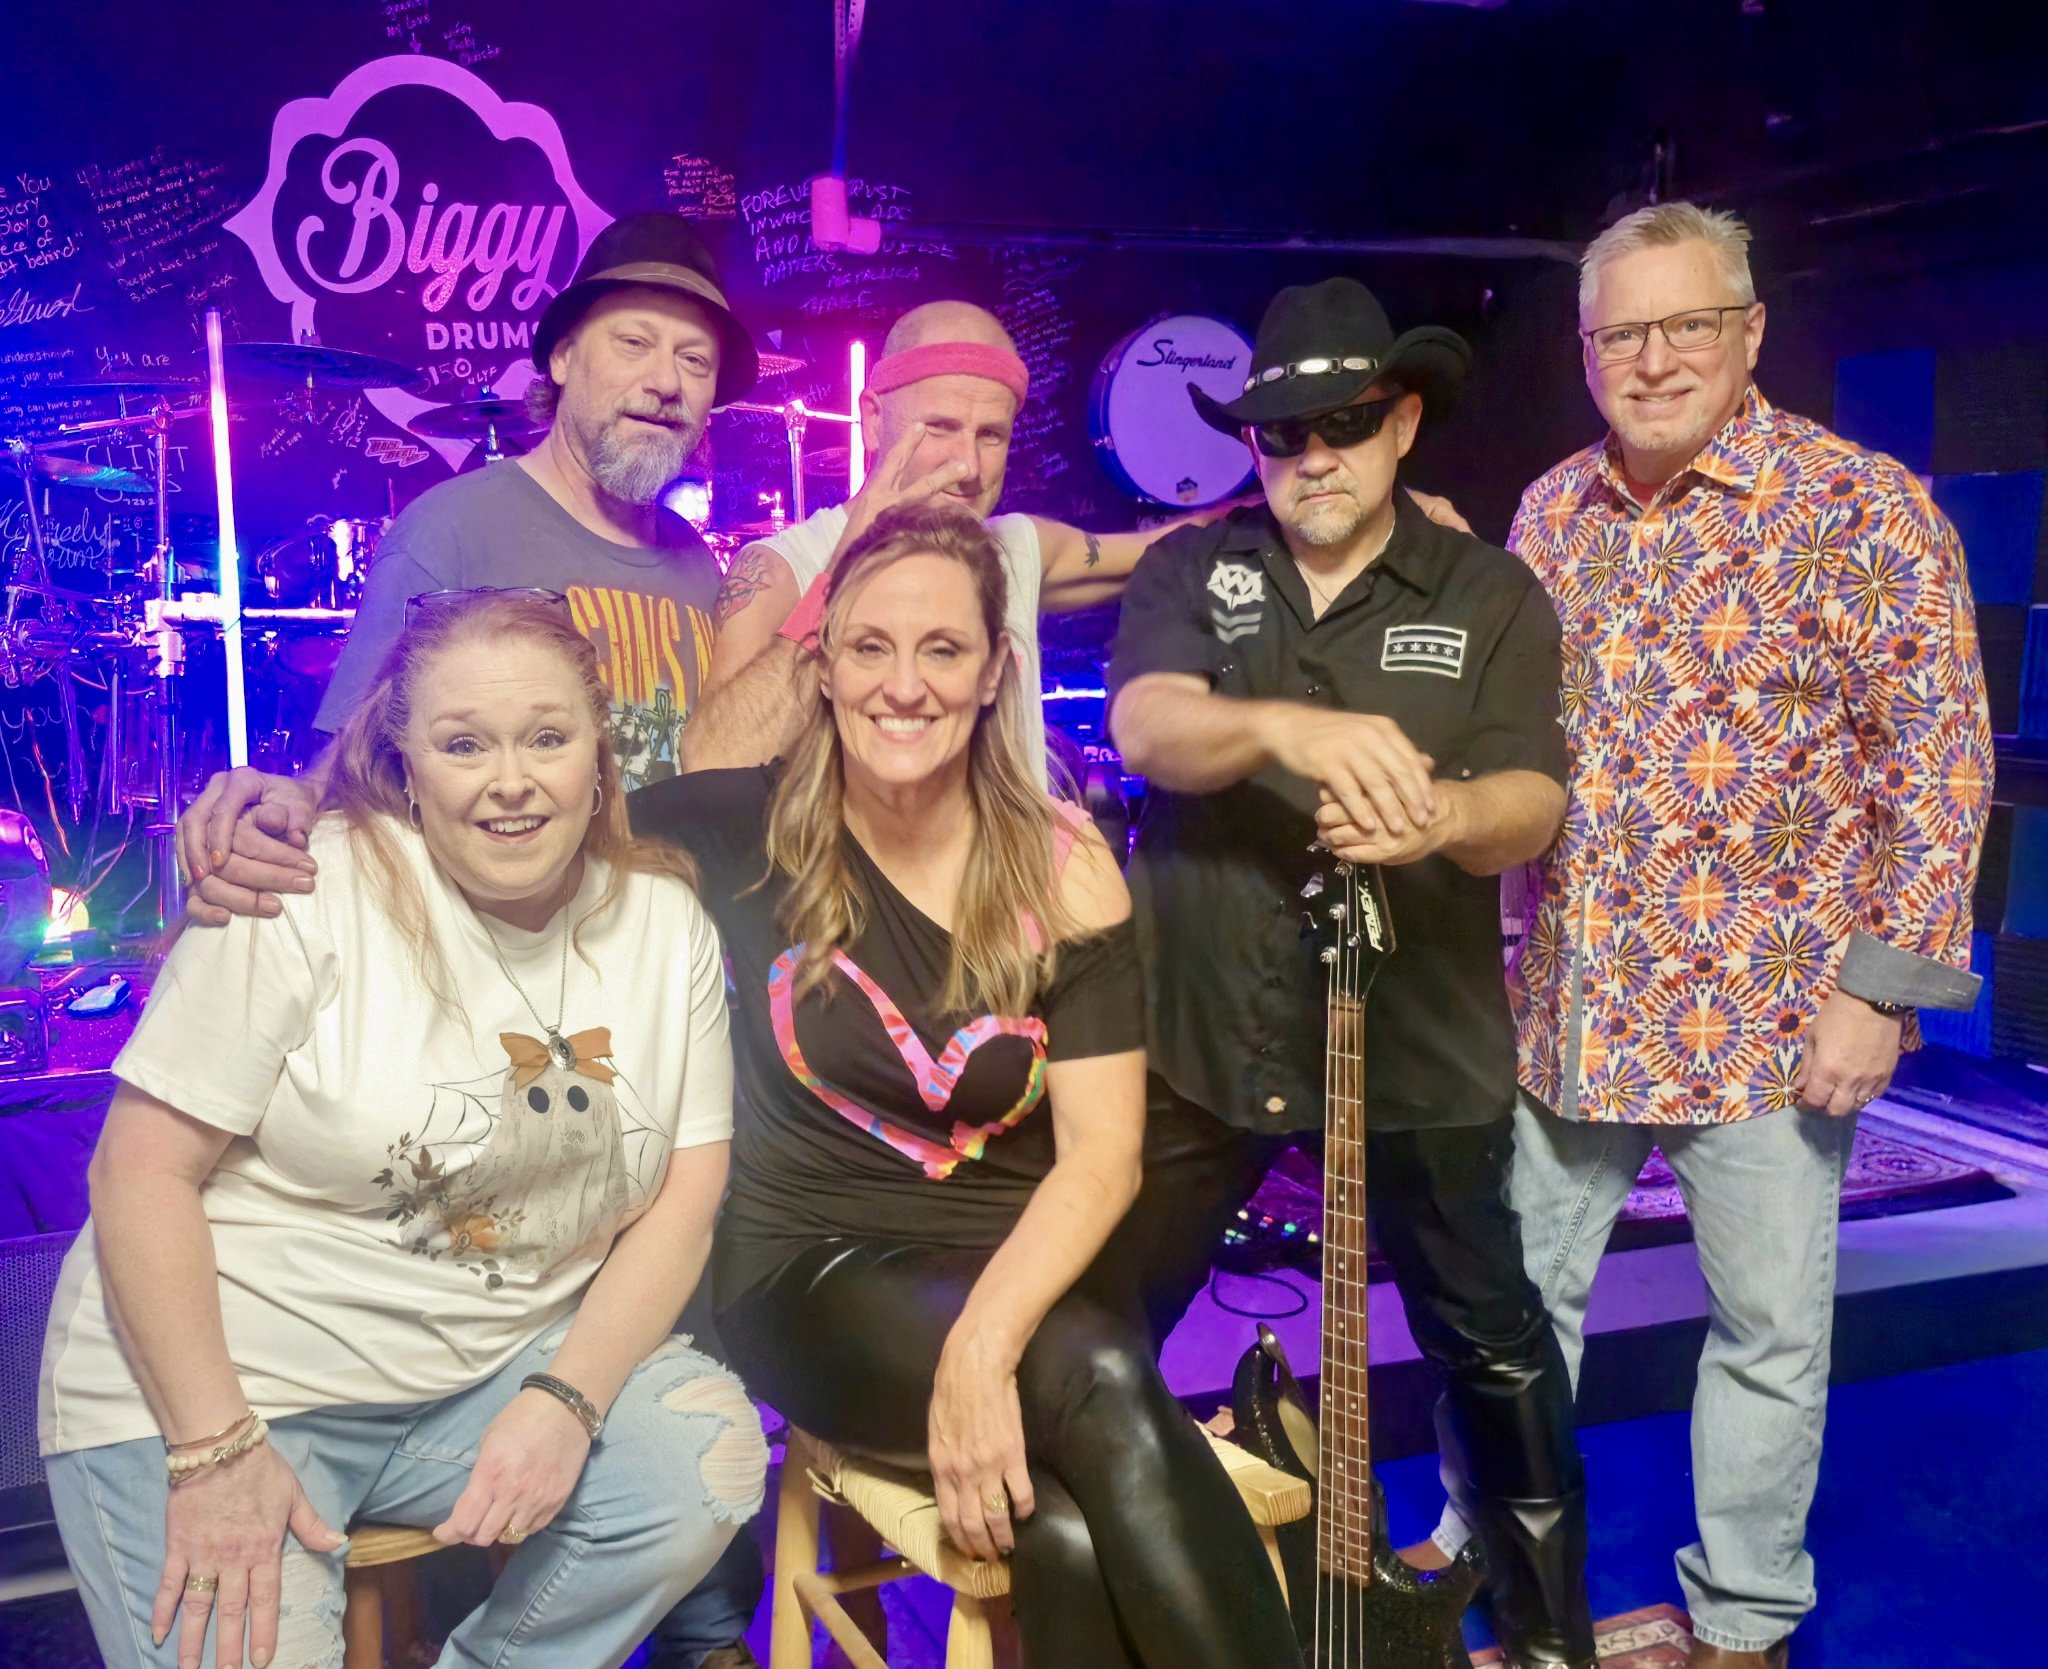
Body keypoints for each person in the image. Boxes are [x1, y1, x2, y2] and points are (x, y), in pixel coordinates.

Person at [1418, 203, 1993, 1669]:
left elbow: (1939, 756)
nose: (1654, 357)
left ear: (1748, 332)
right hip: (1568, 1000)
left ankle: (1741, 1624)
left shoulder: (1858, 506)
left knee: (1769, 1336)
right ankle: (1474, 1551)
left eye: (1687, 324)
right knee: (1511, 1311)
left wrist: (1884, 988)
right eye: (1622, 331)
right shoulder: (1550, 512)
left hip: (1770, 1019)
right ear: (1587, 349)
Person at [631, 502, 1305, 1669]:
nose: (906, 684)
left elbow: (1103, 1153)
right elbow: (504, 819)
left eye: (942, 649)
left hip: (1021, 1284)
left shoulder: (1063, 865)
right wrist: (283, 810)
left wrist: (982, 1346)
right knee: (1098, 1366)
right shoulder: (738, 829)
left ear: (994, 669)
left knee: (1065, 1530)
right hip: (810, 1273)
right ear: (824, 669)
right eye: (870, 647)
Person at [39, 591, 765, 1669]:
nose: (509, 779)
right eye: (462, 742)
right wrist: (214, 1453)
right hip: (221, 1380)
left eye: (547, 738)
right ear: (407, 760)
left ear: (598, 754)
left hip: (475, 1377)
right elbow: (137, 1171)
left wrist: (566, 1399)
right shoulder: (299, 888)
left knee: (698, 1460)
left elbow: (683, 1195)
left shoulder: (661, 923)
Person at [1107, 276, 1596, 1667]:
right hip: (1203, 1032)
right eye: (1280, 433)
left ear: (1403, 421)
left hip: (1420, 1038)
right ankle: (1116, 1607)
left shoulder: (1491, 590)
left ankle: (1549, 1637)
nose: (1311, 455)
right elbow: (1148, 723)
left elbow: (1534, 799)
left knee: (1491, 1350)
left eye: (1343, 423)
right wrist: (1293, 733)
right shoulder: (1193, 569)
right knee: (1105, 1326)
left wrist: (1442, 818)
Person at [181, 208, 759, 922]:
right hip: (508, 962)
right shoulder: (450, 531)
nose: (667, 381)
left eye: (694, 360)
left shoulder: (698, 562)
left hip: (665, 956)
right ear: (563, 358)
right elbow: (350, 769)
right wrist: (291, 805)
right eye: (634, 342)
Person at [693, 298, 1472, 783]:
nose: (966, 465)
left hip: (1008, 957)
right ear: (872, 420)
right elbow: (713, 761)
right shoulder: (783, 567)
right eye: (939, 428)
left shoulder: (1014, 549)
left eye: (991, 436)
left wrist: (1356, 500)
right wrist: (846, 573)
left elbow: (1180, 540)